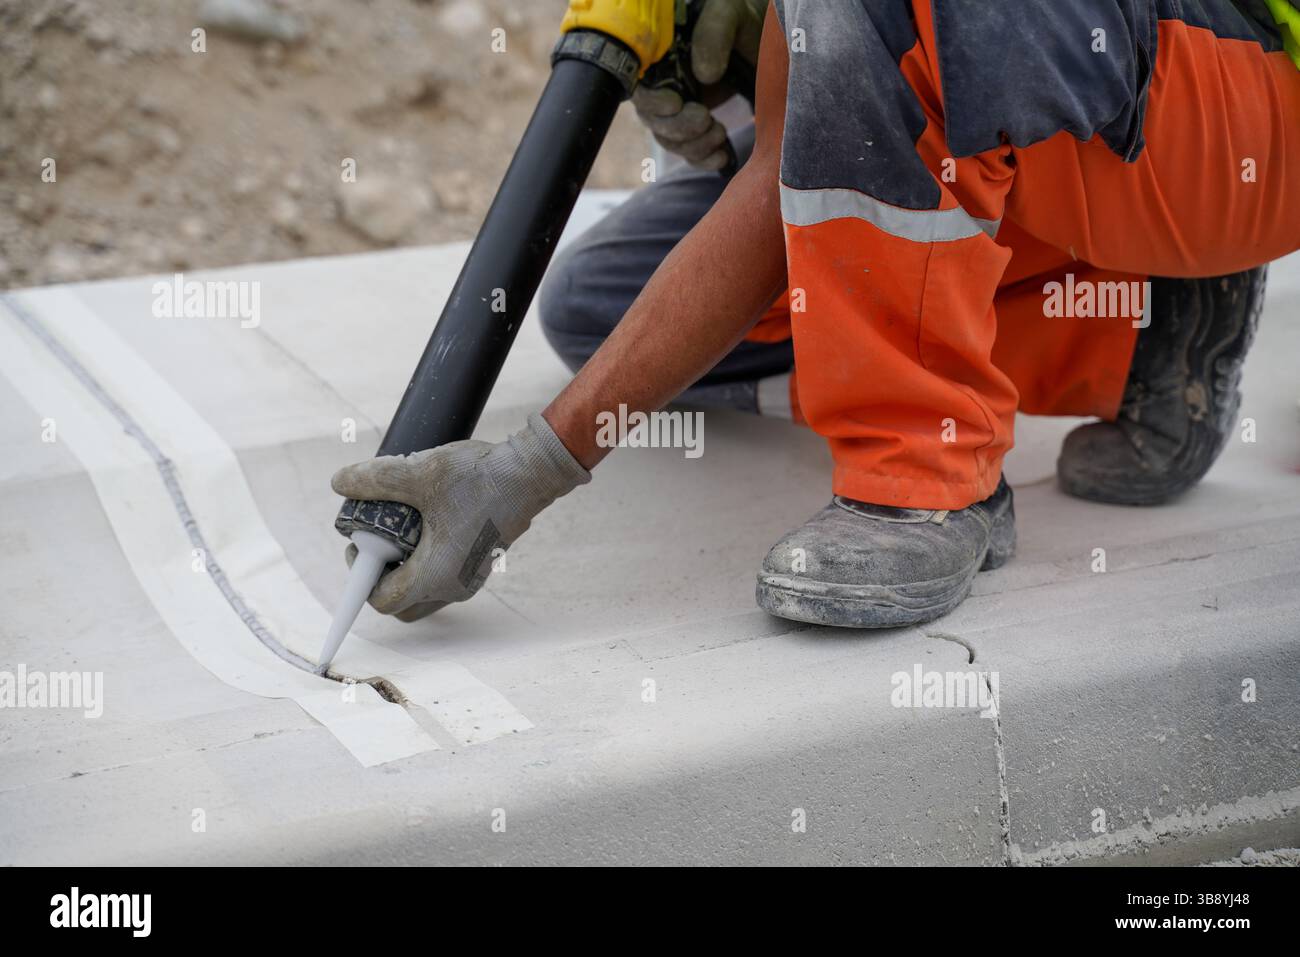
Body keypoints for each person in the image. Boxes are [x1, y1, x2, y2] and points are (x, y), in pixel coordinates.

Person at [332, 0, 1300, 628]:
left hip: (1237, 96)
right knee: (603, 307)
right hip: (1078, 103)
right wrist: (527, 470)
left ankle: (925, 476)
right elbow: (775, 184)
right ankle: (1141, 333)